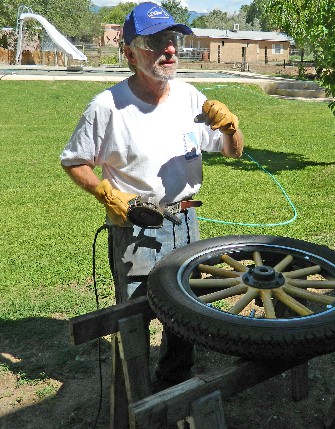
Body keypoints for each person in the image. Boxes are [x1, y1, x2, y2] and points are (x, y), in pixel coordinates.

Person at [60, 2, 244, 384]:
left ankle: (175, 383)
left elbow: (233, 151)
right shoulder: (107, 107)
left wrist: (230, 129)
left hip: (187, 223)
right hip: (137, 226)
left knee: (186, 313)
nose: (170, 49)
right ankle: (137, 396)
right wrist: (109, 196)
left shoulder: (191, 98)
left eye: (172, 39)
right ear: (129, 53)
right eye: (156, 41)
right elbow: (74, 161)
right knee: (135, 316)